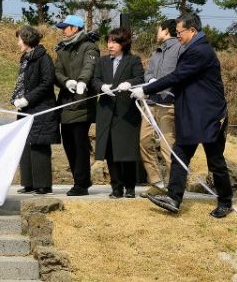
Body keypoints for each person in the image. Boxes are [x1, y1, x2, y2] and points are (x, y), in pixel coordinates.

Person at [132, 13, 234, 218]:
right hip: (192, 115)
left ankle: (225, 202)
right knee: (179, 155)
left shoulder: (200, 51)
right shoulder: (192, 49)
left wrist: (147, 89)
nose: (177, 36)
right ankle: (174, 198)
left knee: (215, 160)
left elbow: (178, 76)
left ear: (192, 31)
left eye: (180, 32)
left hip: (209, 115)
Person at [92, 28, 144, 198]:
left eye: (114, 42)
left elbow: (140, 78)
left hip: (126, 112)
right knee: (110, 151)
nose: (110, 45)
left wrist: (129, 83)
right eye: (109, 41)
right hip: (106, 110)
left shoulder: (133, 60)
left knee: (127, 150)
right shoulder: (102, 61)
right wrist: (101, 86)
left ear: (123, 43)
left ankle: (130, 187)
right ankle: (116, 187)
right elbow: (95, 79)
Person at [10, 26, 59, 195]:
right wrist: (18, 99)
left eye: (19, 40)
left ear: (27, 40)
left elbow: (47, 82)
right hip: (26, 109)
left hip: (42, 109)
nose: (18, 43)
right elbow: (22, 82)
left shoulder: (43, 58)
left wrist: (27, 98)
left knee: (39, 145)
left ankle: (43, 185)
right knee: (25, 145)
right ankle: (29, 183)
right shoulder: (25, 58)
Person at [54, 14, 99, 196]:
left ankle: (81, 184)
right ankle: (80, 179)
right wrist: (66, 82)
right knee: (68, 143)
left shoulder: (89, 47)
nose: (63, 30)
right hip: (66, 102)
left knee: (80, 143)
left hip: (83, 101)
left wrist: (81, 81)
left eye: (65, 27)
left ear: (75, 28)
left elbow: (89, 67)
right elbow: (57, 71)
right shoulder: (62, 49)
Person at [139, 19, 181, 196]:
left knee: (167, 146)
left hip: (168, 104)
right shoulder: (156, 52)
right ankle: (157, 183)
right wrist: (150, 81)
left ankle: (174, 188)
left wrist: (163, 85)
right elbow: (148, 72)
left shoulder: (180, 49)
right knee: (144, 141)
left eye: (158, 29)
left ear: (165, 30)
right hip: (150, 103)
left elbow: (180, 75)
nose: (157, 33)